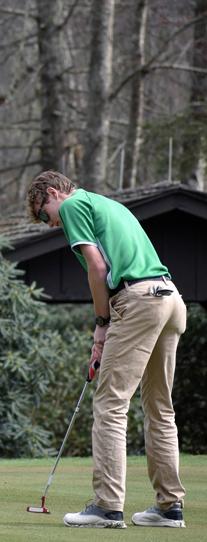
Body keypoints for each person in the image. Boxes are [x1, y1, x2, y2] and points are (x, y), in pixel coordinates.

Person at [26, 171, 187, 529]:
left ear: (53, 193)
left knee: (110, 404)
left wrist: (102, 324)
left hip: (139, 300)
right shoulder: (109, 205)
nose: (48, 222)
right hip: (170, 299)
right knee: (160, 408)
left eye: (42, 213)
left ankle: (107, 507)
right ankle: (169, 508)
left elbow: (97, 268)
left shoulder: (72, 206)